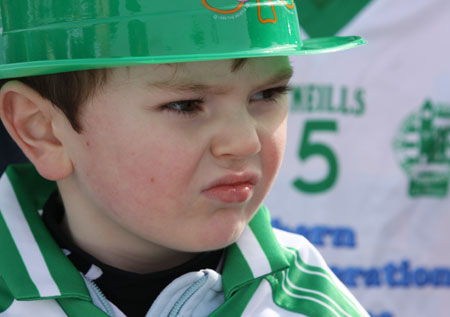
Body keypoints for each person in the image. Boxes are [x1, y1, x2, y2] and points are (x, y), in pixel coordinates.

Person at [0, 1, 368, 316]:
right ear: (44, 132)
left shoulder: (307, 303)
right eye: (186, 105)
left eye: (267, 94)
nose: (244, 142)